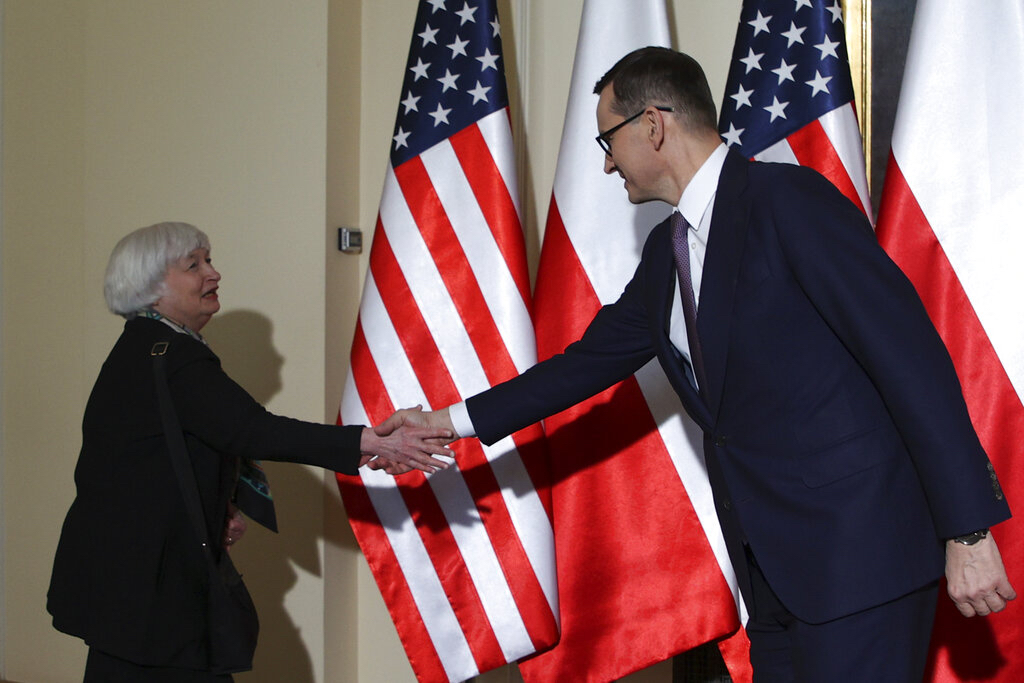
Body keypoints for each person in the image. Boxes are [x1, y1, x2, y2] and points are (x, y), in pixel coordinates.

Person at [382, 48, 1015, 681]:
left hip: (862, 563)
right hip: (773, 578)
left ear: (652, 126)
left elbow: (910, 359)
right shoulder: (668, 252)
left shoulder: (789, 200)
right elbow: (580, 368)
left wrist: (967, 531)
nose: (606, 163)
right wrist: (444, 423)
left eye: (609, 140)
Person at [47, 222, 449, 682]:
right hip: (152, 583)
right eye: (194, 264)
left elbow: (160, 454)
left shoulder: (142, 349)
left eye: (209, 259)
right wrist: (372, 441)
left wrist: (222, 504)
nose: (213, 274)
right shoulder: (175, 356)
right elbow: (253, 431)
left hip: (126, 576)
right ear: (151, 285)